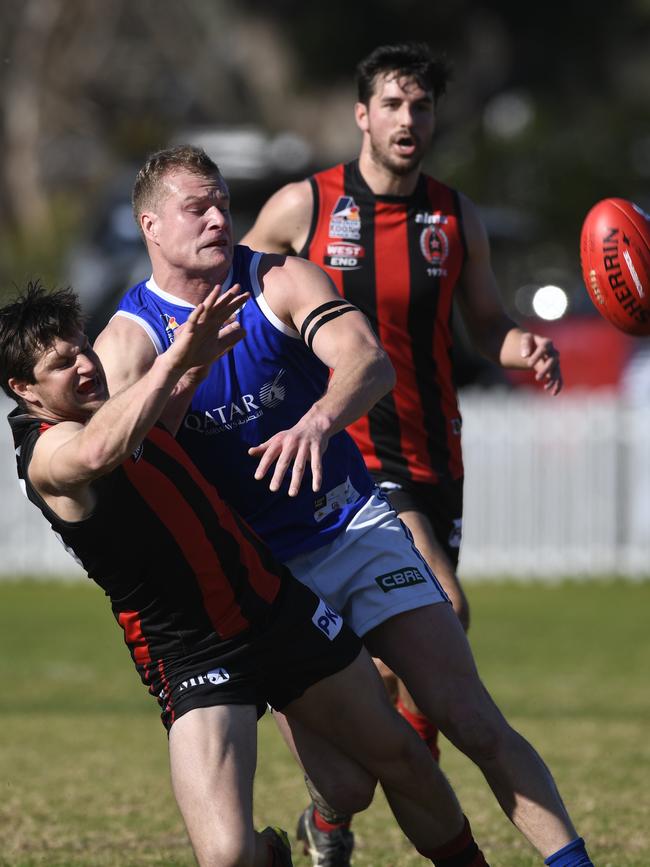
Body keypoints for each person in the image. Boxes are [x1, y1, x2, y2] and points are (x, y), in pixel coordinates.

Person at [94, 144, 595, 867]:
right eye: (195, 207)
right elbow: (132, 464)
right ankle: (307, 827)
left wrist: (319, 419)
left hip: (351, 526)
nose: (216, 218)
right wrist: (188, 364)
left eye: (222, 203)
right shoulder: (130, 337)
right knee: (350, 785)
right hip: (267, 582)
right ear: (151, 225)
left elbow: (368, 360)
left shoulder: (277, 278)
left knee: (471, 717)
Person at [1, 281, 496, 867]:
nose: (85, 364)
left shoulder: (114, 407)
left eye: (83, 347)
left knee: (387, 769)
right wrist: (174, 360)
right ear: (23, 389)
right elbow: (96, 455)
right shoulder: (48, 456)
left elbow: (152, 428)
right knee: (229, 857)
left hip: (273, 607)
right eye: (61, 364)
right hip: (189, 652)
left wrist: (193, 371)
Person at [241, 40, 566, 861]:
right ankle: (417, 782)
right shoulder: (303, 208)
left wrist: (520, 342)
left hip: (435, 456)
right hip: (345, 453)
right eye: (392, 104)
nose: (408, 120)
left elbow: (485, 321)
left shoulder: (455, 216)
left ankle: (334, 809)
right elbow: (237, 303)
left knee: (387, 669)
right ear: (362, 114)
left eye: (421, 107)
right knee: (447, 608)